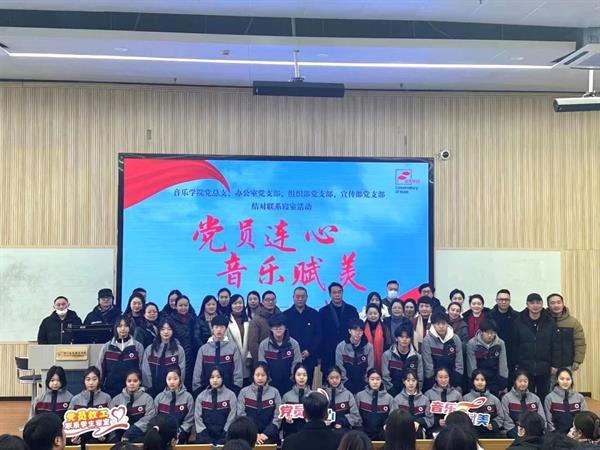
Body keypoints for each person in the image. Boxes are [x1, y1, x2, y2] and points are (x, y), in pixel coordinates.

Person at [512, 293, 559, 401]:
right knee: (526, 396)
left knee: (544, 395)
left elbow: (555, 344)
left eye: (538, 303)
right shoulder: (518, 321)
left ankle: (543, 413)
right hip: (525, 367)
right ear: (527, 304)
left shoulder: (550, 321)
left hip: (545, 367)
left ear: (542, 304)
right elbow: (514, 345)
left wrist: (554, 364)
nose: (535, 305)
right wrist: (516, 364)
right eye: (532, 303)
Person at [319, 282, 359, 382]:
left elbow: (357, 331)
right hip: (328, 353)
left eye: (339, 292)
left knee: (348, 381)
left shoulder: (352, 310)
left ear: (342, 293)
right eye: (334, 292)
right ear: (330, 294)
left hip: (348, 352)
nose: (337, 295)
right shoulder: (323, 312)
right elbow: (320, 335)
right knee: (328, 382)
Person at [96, 315, 145, 397]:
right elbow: (99, 368)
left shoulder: (138, 346)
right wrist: (98, 386)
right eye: (120, 326)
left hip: (132, 390)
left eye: (126, 326)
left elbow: (142, 369)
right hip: (110, 390)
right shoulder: (107, 347)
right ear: (116, 328)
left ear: (130, 328)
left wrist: (143, 386)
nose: (123, 329)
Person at [193, 314, 243, 395]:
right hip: (206, 394)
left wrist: (236, 389)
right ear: (212, 328)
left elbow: (237, 372)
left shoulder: (233, 348)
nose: (219, 330)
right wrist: (198, 391)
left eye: (222, 327)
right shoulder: (203, 349)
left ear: (226, 329)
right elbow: (197, 374)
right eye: (216, 327)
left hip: (229, 393)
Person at [283, 286, 322, 385]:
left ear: (307, 297)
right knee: (290, 385)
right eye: (297, 296)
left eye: (302, 296)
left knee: (307, 385)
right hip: (290, 357)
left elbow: (318, 335)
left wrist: (309, 351)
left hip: (309, 357)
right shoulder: (285, 315)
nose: (300, 299)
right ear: (293, 297)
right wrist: (295, 352)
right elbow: (283, 336)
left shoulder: (314, 314)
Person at [236, 363, 282, 445]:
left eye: (263, 375)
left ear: (267, 376)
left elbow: (278, 416)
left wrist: (266, 433)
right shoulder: (244, 392)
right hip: (248, 434)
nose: (260, 378)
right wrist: (254, 434)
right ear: (252, 376)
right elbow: (241, 414)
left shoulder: (275, 392)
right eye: (257, 375)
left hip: (269, 435)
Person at [258, 313, 302, 395]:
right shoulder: (264, 345)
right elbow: (262, 365)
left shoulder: (294, 344)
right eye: (275, 327)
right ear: (271, 328)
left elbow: (297, 363)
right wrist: (268, 380)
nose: (278, 329)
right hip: (270, 384)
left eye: (281, 327)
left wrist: (292, 379)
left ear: (285, 327)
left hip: (290, 384)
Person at [141, 318, 186, 396]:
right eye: (163, 329)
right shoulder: (150, 349)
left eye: (169, 329)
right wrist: (149, 388)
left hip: (173, 390)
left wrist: (176, 387)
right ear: (158, 331)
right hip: (152, 391)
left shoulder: (179, 350)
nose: (166, 332)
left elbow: (182, 371)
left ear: (173, 331)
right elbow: (145, 371)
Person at [109, 369, 156, 443]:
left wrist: (131, 432)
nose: (132, 383)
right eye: (129, 381)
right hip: (119, 437)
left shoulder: (148, 399)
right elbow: (110, 420)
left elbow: (149, 418)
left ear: (140, 382)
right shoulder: (116, 400)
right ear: (125, 382)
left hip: (140, 435)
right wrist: (113, 437)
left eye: (135, 381)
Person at [68, 366, 111, 446]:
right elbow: (69, 422)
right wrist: (72, 439)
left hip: (100, 442)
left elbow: (111, 421)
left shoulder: (106, 398)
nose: (91, 383)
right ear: (84, 381)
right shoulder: (75, 399)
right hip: (80, 441)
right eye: (88, 379)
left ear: (99, 380)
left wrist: (105, 435)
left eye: (94, 379)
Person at [194, 367, 238, 444]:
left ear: (223, 378)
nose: (215, 380)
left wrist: (225, 431)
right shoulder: (201, 396)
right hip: (205, 435)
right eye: (212, 377)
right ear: (208, 378)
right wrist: (204, 433)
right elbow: (197, 418)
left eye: (218, 377)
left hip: (225, 434)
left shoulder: (231, 395)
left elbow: (232, 416)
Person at [421, 312, 464, 390]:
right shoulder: (427, 340)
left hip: (453, 378)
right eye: (438, 324)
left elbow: (459, 362)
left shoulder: (455, 339)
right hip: (434, 380)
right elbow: (428, 365)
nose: (441, 326)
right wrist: (434, 381)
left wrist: (456, 380)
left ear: (447, 324)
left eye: (443, 323)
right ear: (433, 325)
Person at [466, 319, 508, 396]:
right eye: (487, 332)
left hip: (494, 378)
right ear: (481, 332)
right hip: (479, 378)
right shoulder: (472, 343)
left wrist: (503, 382)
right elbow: (471, 366)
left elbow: (503, 364)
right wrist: (474, 382)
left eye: (492, 333)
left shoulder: (500, 343)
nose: (490, 335)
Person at [169, 295, 202, 391]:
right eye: (180, 305)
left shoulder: (194, 319)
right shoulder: (170, 320)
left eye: (186, 305)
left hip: (193, 356)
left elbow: (197, 337)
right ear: (175, 306)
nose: (183, 308)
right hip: (177, 355)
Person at [547, 293, 586, 372]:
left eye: (559, 302)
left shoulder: (573, 322)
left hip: (567, 364)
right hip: (548, 365)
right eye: (552, 303)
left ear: (563, 304)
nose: (556, 305)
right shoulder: (543, 322)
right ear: (548, 305)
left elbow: (580, 343)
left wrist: (577, 360)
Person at [463, 369, 508, 438]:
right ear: (473, 381)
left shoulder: (494, 399)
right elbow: (462, 418)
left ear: (486, 382)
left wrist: (493, 425)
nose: (480, 382)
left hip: (491, 432)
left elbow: (501, 417)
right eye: (477, 380)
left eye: (482, 380)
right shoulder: (465, 399)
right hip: (472, 434)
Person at [153, 367, 194, 443]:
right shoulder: (159, 398)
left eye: (175, 379)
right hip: (162, 434)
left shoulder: (188, 397)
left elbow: (189, 420)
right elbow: (154, 418)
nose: (172, 382)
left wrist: (180, 432)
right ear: (165, 380)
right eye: (169, 379)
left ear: (180, 379)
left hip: (181, 434)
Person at [502, 370, 547, 438]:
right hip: (514, 431)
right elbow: (506, 419)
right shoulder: (507, 398)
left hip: (534, 433)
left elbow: (542, 418)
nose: (523, 384)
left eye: (525, 381)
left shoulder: (535, 398)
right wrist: (516, 431)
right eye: (520, 381)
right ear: (515, 382)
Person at [382, 323, 424, 397]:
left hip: (412, 394)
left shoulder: (417, 357)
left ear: (410, 339)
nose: (404, 339)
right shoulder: (387, 355)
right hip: (392, 394)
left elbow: (420, 379)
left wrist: (414, 392)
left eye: (407, 337)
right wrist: (391, 391)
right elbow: (385, 377)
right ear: (396, 338)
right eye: (401, 337)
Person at [355, 368, 396, 440]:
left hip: (383, 434)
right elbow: (356, 416)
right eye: (372, 379)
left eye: (378, 379)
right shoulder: (360, 396)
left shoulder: (389, 398)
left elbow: (392, 418)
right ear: (368, 380)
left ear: (381, 380)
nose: (375, 382)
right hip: (363, 433)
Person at [336, 318, 374, 394]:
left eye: (360, 330)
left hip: (364, 384)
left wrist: (365, 381)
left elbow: (370, 367)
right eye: (355, 330)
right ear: (349, 331)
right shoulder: (341, 347)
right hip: (345, 384)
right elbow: (339, 367)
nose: (358, 333)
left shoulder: (368, 347)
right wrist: (346, 382)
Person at [544, 367, 588, 433]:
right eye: (562, 379)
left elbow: (585, 417)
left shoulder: (579, 397)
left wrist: (576, 433)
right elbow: (549, 421)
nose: (565, 382)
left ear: (571, 380)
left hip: (576, 434)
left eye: (568, 379)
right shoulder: (549, 398)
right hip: (556, 435)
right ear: (557, 380)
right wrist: (555, 434)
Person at [393, 369, 433, 439]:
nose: (411, 383)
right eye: (408, 380)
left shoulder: (425, 399)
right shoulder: (397, 399)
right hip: (401, 430)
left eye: (413, 380)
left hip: (419, 431)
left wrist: (419, 422)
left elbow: (430, 419)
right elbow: (393, 418)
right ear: (403, 381)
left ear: (417, 381)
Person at [425, 367, 462, 436]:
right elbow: (427, 414)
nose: (443, 380)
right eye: (440, 377)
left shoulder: (457, 394)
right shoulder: (428, 394)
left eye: (446, 377)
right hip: (434, 429)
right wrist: (437, 421)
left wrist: (451, 421)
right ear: (436, 378)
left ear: (449, 378)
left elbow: (461, 414)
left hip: (453, 429)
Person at [247, 290, 281, 367]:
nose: (270, 302)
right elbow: (253, 344)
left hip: (280, 359)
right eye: (267, 300)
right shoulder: (256, 320)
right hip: (263, 361)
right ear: (262, 302)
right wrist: (261, 362)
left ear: (276, 301)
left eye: (272, 299)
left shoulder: (281, 317)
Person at [322, 365, 361, 431]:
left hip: (343, 430)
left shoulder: (348, 394)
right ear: (327, 378)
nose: (334, 380)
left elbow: (355, 416)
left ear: (341, 377)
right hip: (325, 430)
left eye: (337, 378)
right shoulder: (322, 394)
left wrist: (342, 422)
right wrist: (322, 422)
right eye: (331, 378)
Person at [281, 363, 312, 438]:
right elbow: (281, 420)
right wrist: (287, 421)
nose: (301, 377)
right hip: (291, 435)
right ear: (294, 376)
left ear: (308, 377)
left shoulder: (313, 395)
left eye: (304, 375)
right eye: (298, 375)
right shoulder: (286, 396)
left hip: (310, 434)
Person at [227, 294, 252, 381]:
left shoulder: (249, 320)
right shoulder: (226, 321)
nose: (238, 305)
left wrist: (249, 355)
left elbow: (252, 340)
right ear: (230, 305)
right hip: (231, 359)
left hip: (247, 360)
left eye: (240, 303)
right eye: (235, 303)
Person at [363, 303, 393, 372]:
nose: (373, 316)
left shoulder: (384, 328)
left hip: (382, 362)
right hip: (365, 362)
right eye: (370, 314)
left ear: (379, 314)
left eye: (375, 313)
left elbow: (388, 345)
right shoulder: (362, 328)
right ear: (366, 314)